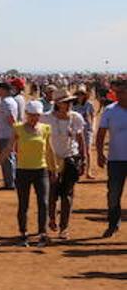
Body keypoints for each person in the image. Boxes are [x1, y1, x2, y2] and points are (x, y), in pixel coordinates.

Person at [0, 100, 57, 246]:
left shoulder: (46, 129)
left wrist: (53, 169)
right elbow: (8, 149)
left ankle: (42, 233)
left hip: (41, 170)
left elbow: (49, 150)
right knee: (23, 204)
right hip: (23, 171)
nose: (34, 118)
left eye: (37, 115)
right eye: (31, 115)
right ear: (26, 114)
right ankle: (23, 233)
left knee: (44, 203)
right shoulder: (18, 128)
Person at [47, 89, 89, 239]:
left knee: (68, 194)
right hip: (51, 160)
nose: (70, 104)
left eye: (71, 101)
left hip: (71, 157)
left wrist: (84, 159)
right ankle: (51, 219)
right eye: (66, 102)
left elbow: (80, 138)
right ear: (57, 104)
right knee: (52, 193)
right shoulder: (46, 119)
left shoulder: (76, 117)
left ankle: (64, 227)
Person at [93, 79, 127, 238]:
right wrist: (99, 153)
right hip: (116, 160)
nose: (119, 96)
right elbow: (100, 135)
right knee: (113, 193)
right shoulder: (110, 110)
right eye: (117, 93)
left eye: (122, 92)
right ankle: (113, 223)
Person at [0, 81, 20, 190]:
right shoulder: (10, 101)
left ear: (4, 90)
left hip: (6, 134)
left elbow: (11, 119)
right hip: (7, 133)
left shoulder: (6, 102)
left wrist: (14, 131)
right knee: (10, 157)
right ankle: (11, 180)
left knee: (6, 158)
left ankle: (9, 182)